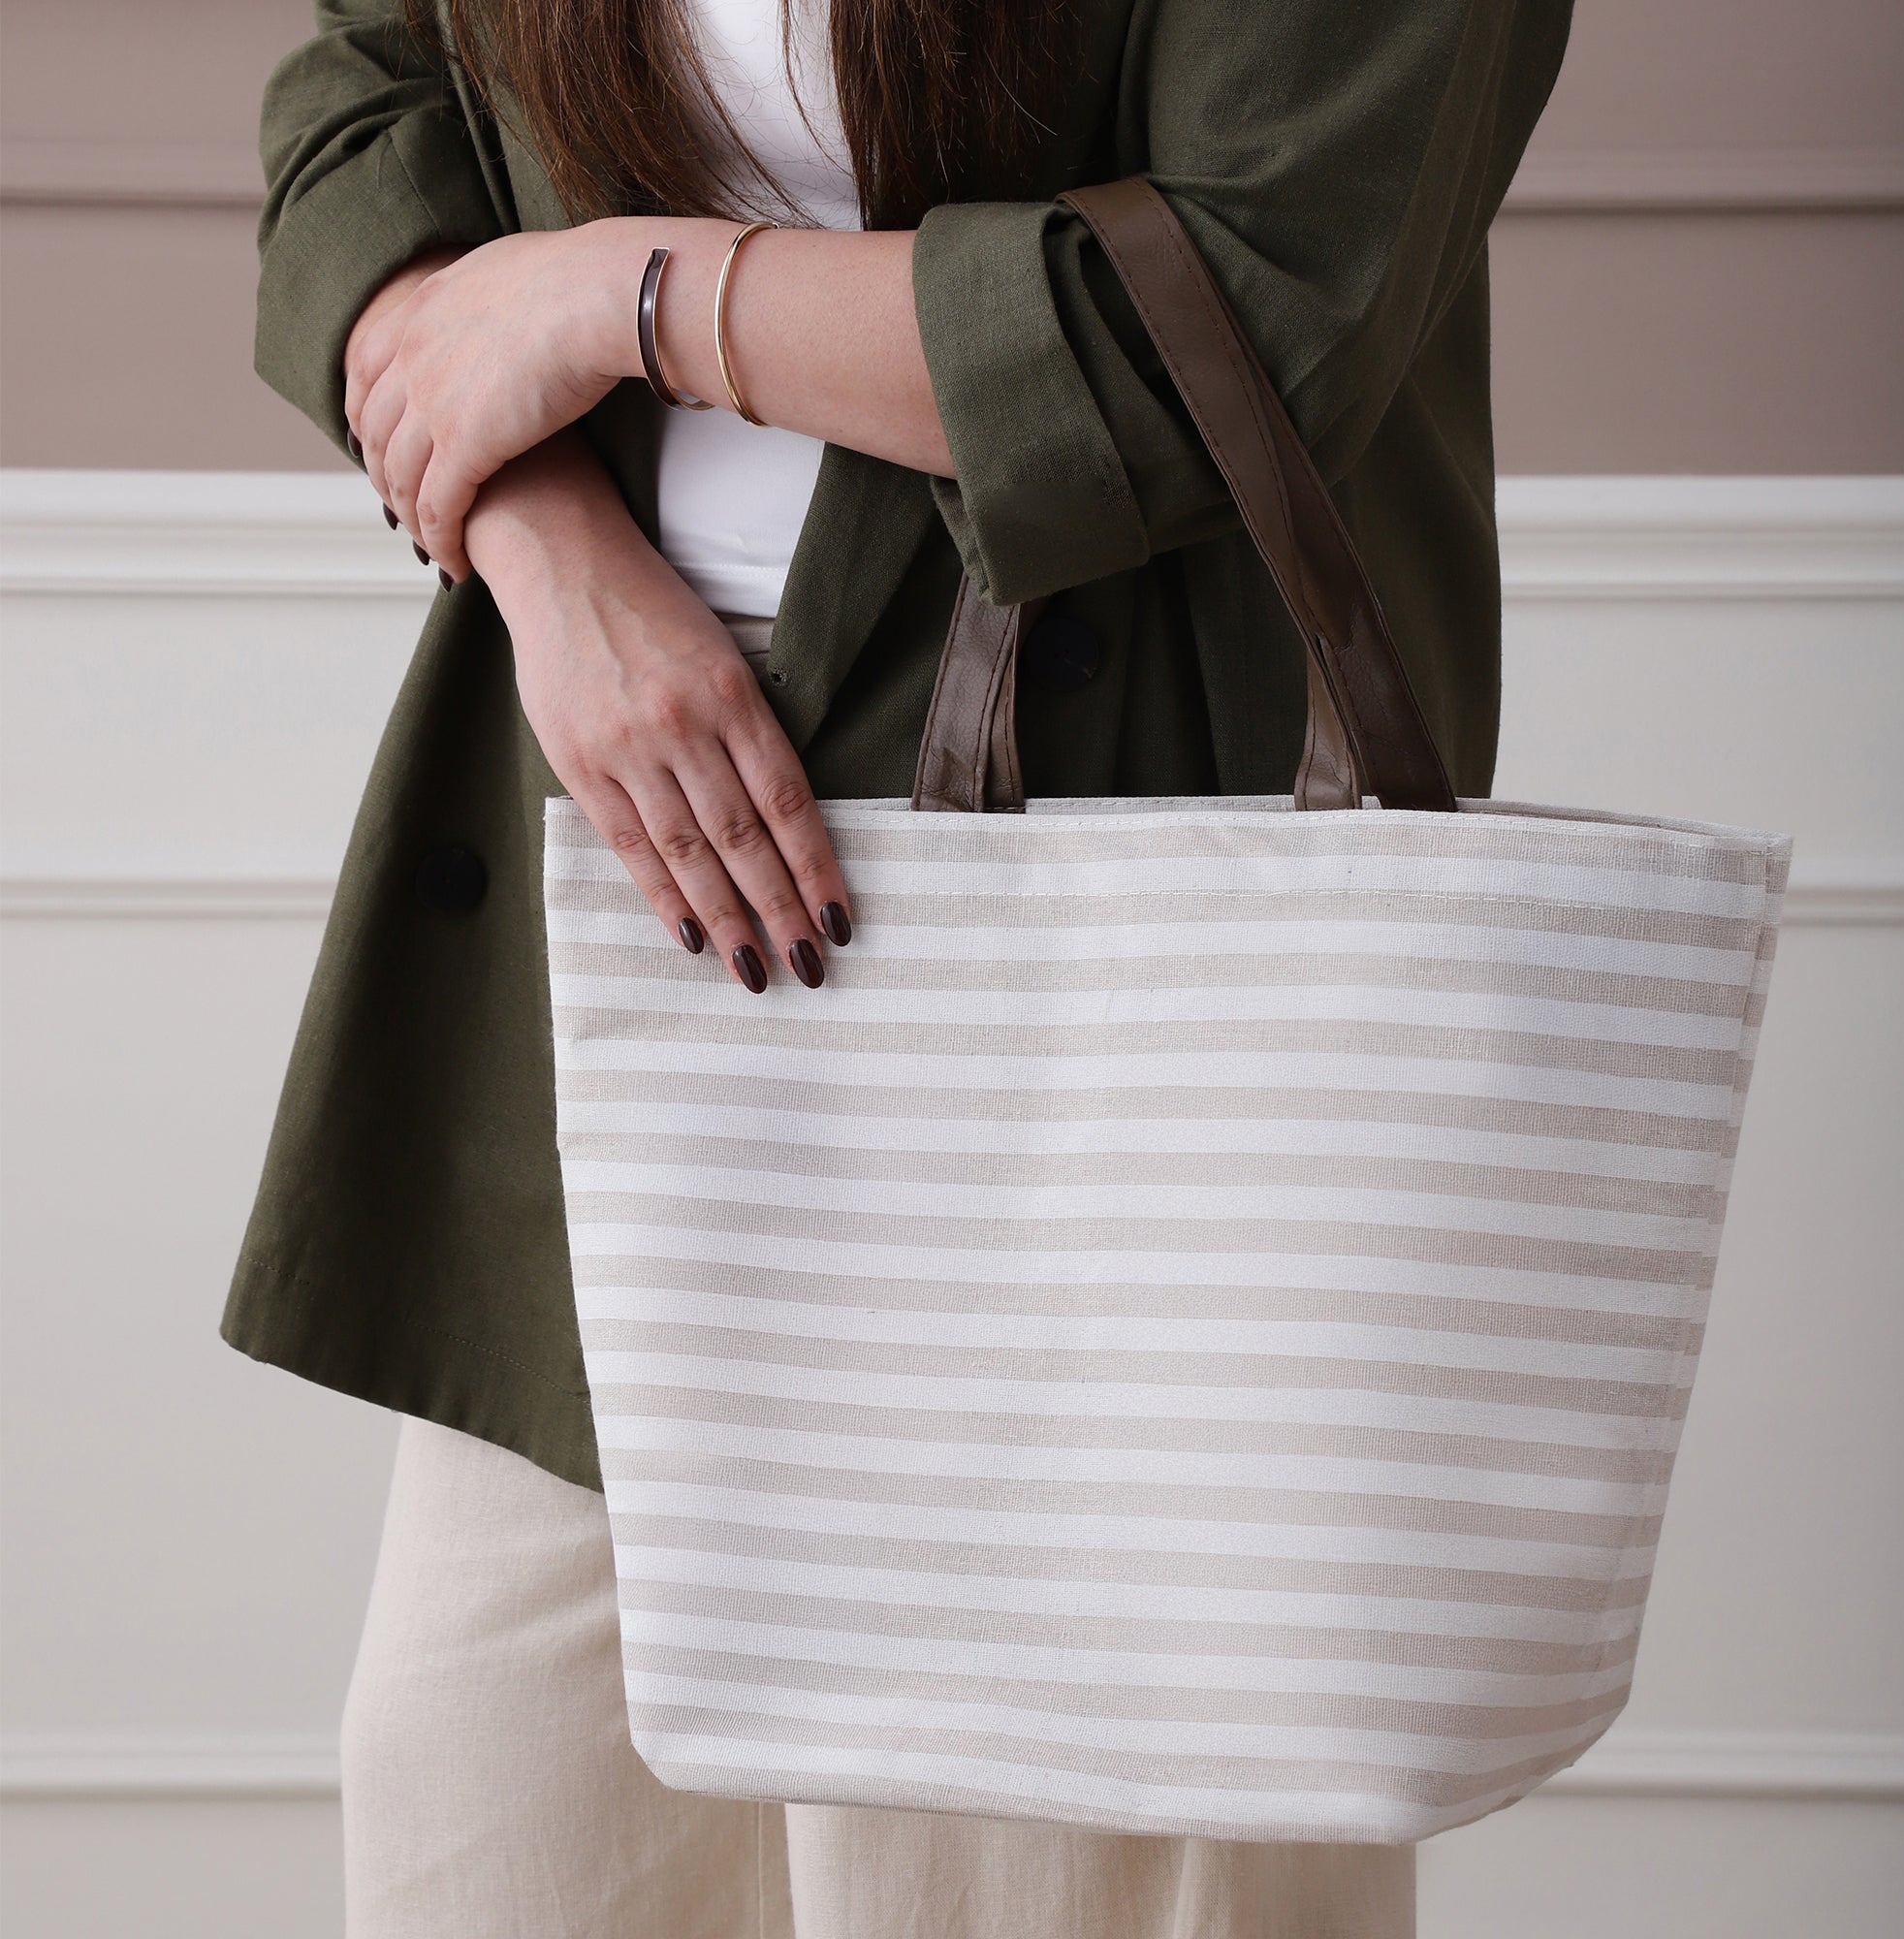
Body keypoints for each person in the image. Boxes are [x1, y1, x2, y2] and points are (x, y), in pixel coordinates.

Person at [227, 0, 1572, 1929]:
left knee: (1016, 1867)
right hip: (612, 883)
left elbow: (1235, 317)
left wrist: (622, 298)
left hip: (1095, 962)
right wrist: (542, 545)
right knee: (497, 1824)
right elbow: (364, 112)